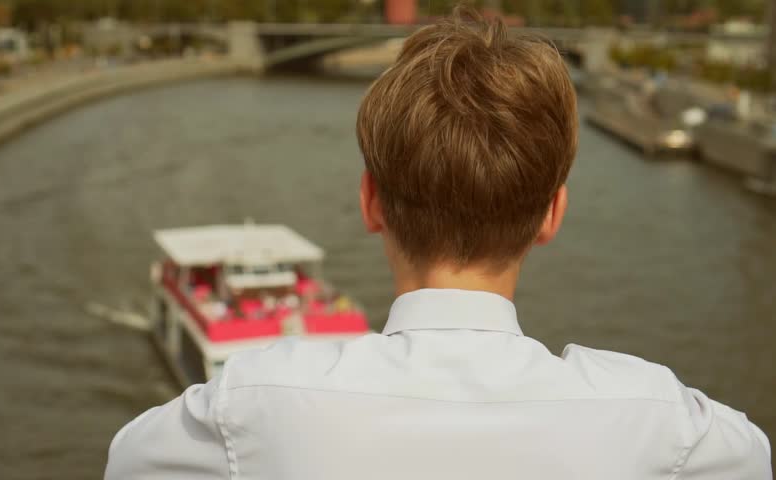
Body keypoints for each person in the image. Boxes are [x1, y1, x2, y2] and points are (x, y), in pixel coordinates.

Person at [104, 10, 772, 480]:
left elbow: (127, 462)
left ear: (371, 203)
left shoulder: (246, 402)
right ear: (553, 214)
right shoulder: (664, 421)